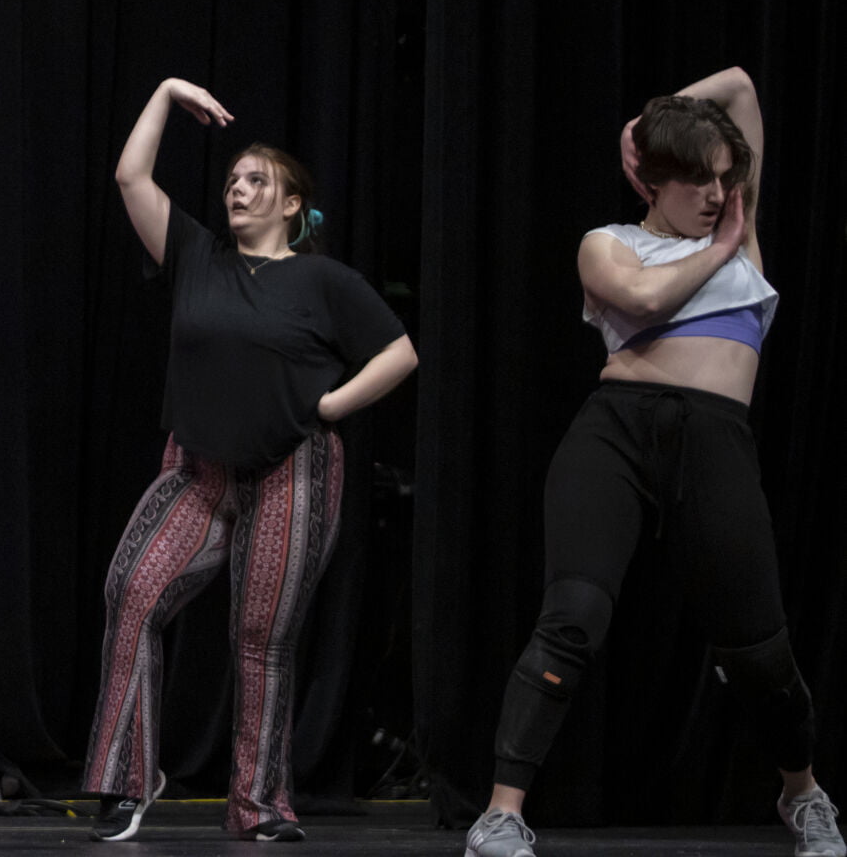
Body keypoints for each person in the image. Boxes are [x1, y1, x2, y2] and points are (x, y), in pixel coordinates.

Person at [464, 68, 844, 857]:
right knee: (572, 616)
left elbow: (739, 84)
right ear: (653, 181)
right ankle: (501, 813)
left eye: (723, 178)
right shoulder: (609, 243)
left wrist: (643, 119)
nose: (716, 194)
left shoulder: (739, 228)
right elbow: (636, 301)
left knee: (758, 653)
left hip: (714, 441)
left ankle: (801, 791)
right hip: (616, 435)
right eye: (696, 179)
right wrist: (722, 250)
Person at [84, 77, 418, 842]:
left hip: (290, 471)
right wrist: (165, 94)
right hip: (198, 469)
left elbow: (399, 352)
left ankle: (259, 804)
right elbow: (131, 177)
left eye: (255, 180)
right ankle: (126, 779)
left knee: (259, 637)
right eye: (231, 180)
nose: (237, 188)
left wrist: (331, 405)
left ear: (292, 202)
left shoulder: (321, 280)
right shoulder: (198, 255)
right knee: (131, 590)